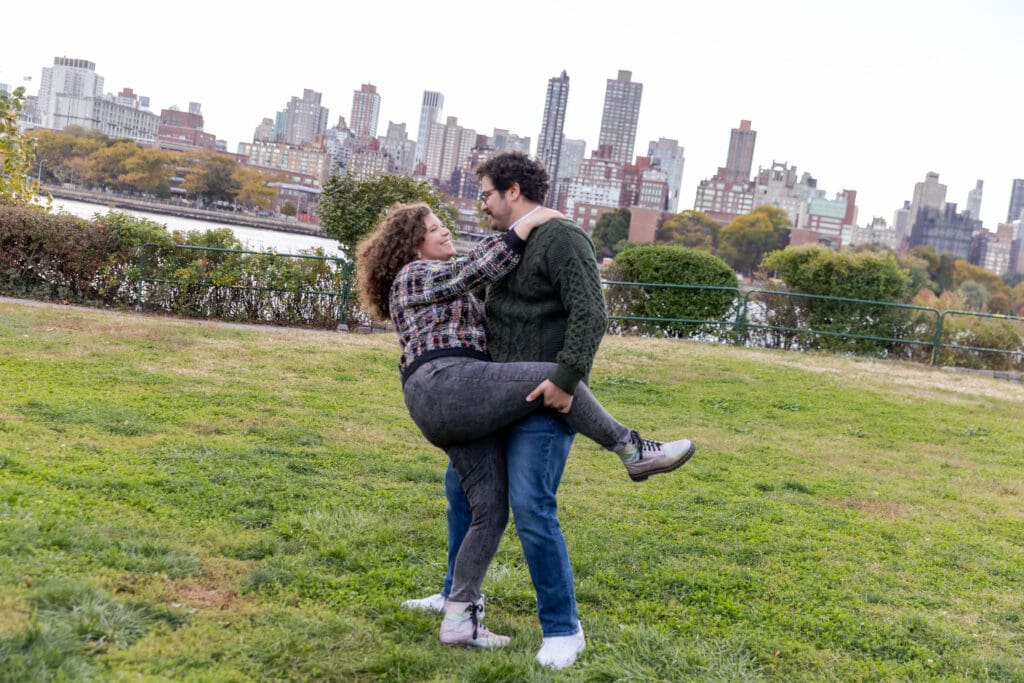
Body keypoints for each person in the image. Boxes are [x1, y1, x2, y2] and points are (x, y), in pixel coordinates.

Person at [357, 199, 696, 653]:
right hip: (444, 383)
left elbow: (487, 284)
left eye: (442, 225)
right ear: (411, 243)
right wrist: (530, 221)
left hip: (456, 402)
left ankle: (459, 617)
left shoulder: (443, 281)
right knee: (550, 376)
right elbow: (475, 270)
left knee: (491, 512)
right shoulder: (413, 275)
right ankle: (632, 450)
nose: (445, 232)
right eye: (434, 228)